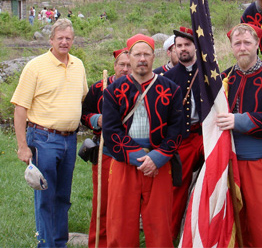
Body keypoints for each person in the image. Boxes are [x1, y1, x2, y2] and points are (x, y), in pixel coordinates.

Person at [11, 18, 88, 248]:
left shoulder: (78, 65)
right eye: (60, 38)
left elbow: (82, 96)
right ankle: (46, 245)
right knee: (46, 197)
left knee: (62, 197)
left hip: (70, 139)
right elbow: (20, 108)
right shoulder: (35, 67)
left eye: (68, 38)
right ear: (51, 40)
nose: (64, 42)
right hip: (43, 139)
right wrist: (23, 146)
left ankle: (59, 243)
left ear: (73, 41)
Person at [102, 33, 183, 248]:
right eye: (137, 54)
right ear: (129, 56)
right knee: (120, 225)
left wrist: (156, 157)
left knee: (159, 226)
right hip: (125, 162)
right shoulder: (113, 91)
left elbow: (177, 130)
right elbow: (111, 131)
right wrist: (139, 157)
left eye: (146, 54)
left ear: (153, 56)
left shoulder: (171, 89)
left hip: (158, 163)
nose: (142, 59)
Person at [217, 23, 262, 248]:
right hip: (229, 162)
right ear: (231, 47)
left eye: (247, 43)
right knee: (236, 225)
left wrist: (240, 121)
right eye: (237, 43)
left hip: (261, 162)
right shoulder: (224, 77)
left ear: (257, 45)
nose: (242, 48)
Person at [81, 48, 131, 248]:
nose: (125, 69)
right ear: (114, 66)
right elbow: (83, 114)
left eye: (129, 65)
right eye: (122, 65)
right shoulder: (98, 88)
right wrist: (96, 119)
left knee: (124, 205)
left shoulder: (139, 87)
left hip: (130, 154)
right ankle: (98, 244)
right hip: (105, 153)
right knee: (102, 203)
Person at [164, 26, 204, 240]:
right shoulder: (168, 78)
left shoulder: (209, 73)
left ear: (195, 46)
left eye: (187, 44)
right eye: (179, 46)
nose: (183, 49)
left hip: (205, 135)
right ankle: (168, 241)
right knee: (176, 191)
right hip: (182, 141)